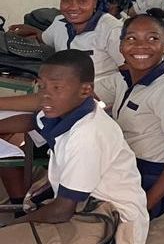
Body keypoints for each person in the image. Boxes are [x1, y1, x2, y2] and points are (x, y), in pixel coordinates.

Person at [0, 50, 149, 243]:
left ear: (85, 90)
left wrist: (11, 227)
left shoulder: (88, 135)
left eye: (57, 88)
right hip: (83, 204)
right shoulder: (66, 109)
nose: (45, 95)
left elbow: (61, 211)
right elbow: (32, 121)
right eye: (42, 86)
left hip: (111, 219)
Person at [113, 10, 164, 219]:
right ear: (121, 46)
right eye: (132, 38)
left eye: (153, 38)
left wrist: (145, 205)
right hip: (122, 172)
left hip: (147, 181)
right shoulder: (124, 79)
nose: (141, 46)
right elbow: (75, 93)